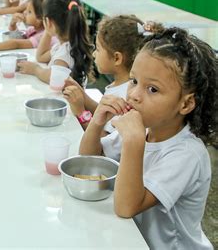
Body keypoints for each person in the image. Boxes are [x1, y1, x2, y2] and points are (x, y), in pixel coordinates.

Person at [80, 27, 216, 249]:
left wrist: (134, 143)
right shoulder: (145, 127)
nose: (133, 95)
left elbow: (126, 207)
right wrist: (96, 123)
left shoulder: (186, 154)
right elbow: (89, 161)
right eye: (133, 81)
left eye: (152, 89)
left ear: (186, 103)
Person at [63, 15, 153, 130]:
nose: (94, 53)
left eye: (98, 49)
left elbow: (103, 142)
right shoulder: (120, 84)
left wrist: (81, 113)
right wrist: (82, 94)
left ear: (117, 58)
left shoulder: (126, 97)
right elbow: (104, 112)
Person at [18, 0, 94, 87]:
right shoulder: (66, 45)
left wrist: (35, 70)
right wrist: (49, 30)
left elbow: (56, 78)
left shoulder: (65, 52)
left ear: (49, 22)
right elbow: (40, 57)